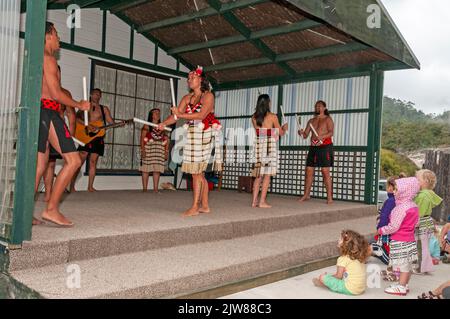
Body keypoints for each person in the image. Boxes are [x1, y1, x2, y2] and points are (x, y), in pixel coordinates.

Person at [34, 22, 90, 227]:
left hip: (39, 111)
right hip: (47, 111)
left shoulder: (37, 58)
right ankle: (51, 209)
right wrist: (78, 104)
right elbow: (56, 94)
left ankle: (23, 213)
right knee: (74, 161)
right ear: (48, 36)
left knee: (40, 166)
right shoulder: (48, 59)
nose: (59, 39)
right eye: (56, 34)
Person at [158, 66, 222, 217]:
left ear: (201, 79)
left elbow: (201, 115)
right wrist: (164, 124)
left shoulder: (208, 96)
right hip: (192, 134)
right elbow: (176, 117)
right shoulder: (187, 98)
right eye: (188, 78)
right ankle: (205, 206)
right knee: (198, 174)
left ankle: (195, 206)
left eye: (192, 77)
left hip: (205, 134)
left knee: (196, 173)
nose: (189, 80)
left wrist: (180, 113)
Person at [378, 177, 420, 296]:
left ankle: (401, 287)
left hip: (399, 240)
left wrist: (382, 230)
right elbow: (417, 223)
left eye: (396, 189)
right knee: (407, 265)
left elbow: (393, 227)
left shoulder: (400, 208)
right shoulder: (414, 206)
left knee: (402, 266)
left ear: (405, 191)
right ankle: (404, 284)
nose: (394, 192)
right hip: (410, 240)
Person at [70, 88, 115, 192]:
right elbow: (76, 118)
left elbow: (110, 122)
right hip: (85, 136)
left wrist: (119, 123)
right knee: (79, 162)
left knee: (93, 161)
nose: (97, 96)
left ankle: (90, 187)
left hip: (98, 137)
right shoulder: (85, 106)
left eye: (99, 94)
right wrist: (88, 125)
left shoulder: (104, 109)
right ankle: (71, 186)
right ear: (91, 95)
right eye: (95, 94)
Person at [250, 94, 288, 208]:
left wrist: (273, 132)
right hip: (268, 146)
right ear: (268, 103)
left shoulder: (253, 117)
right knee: (267, 175)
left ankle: (254, 202)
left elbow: (260, 132)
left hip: (258, 145)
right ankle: (262, 202)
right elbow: (279, 133)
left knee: (258, 175)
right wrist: (284, 128)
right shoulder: (273, 116)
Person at [312, 230, 370, 296]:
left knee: (323, 277)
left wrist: (328, 277)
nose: (338, 239)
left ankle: (323, 283)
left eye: (340, 239)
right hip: (361, 288)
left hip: (350, 289)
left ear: (345, 245)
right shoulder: (358, 256)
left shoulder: (343, 259)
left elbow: (339, 276)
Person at [298, 100, 334, 204]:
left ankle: (329, 197)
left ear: (324, 108)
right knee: (309, 170)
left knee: (325, 171)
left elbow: (331, 132)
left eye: (320, 106)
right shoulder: (311, 121)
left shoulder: (328, 119)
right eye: (316, 106)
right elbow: (305, 135)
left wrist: (321, 136)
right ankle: (306, 194)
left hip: (325, 146)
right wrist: (300, 133)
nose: (318, 108)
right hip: (313, 147)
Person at [414, 169, 443, 274]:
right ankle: (424, 266)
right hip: (427, 222)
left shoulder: (423, 196)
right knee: (424, 246)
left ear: (425, 181)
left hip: (421, 223)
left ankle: (423, 267)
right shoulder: (429, 194)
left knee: (421, 246)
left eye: (418, 179)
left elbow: (419, 212)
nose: (416, 181)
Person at [140, 108, 169, 193]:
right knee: (146, 169)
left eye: (159, 113)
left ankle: (155, 189)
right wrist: (143, 150)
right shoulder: (146, 125)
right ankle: (145, 189)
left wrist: (166, 151)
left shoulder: (162, 126)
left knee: (157, 169)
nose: (157, 114)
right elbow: (142, 139)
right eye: (155, 112)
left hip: (159, 149)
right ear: (151, 115)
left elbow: (166, 139)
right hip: (149, 148)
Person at [371, 176, 397, 268]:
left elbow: (384, 216)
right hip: (394, 230)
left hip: (386, 229)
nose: (388, 188)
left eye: (388, 186)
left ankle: (378, 253)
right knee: (388, 246)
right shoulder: (399, 200)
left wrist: (380, 228)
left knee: (381, 245)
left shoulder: (390, 201)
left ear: (390, 188)